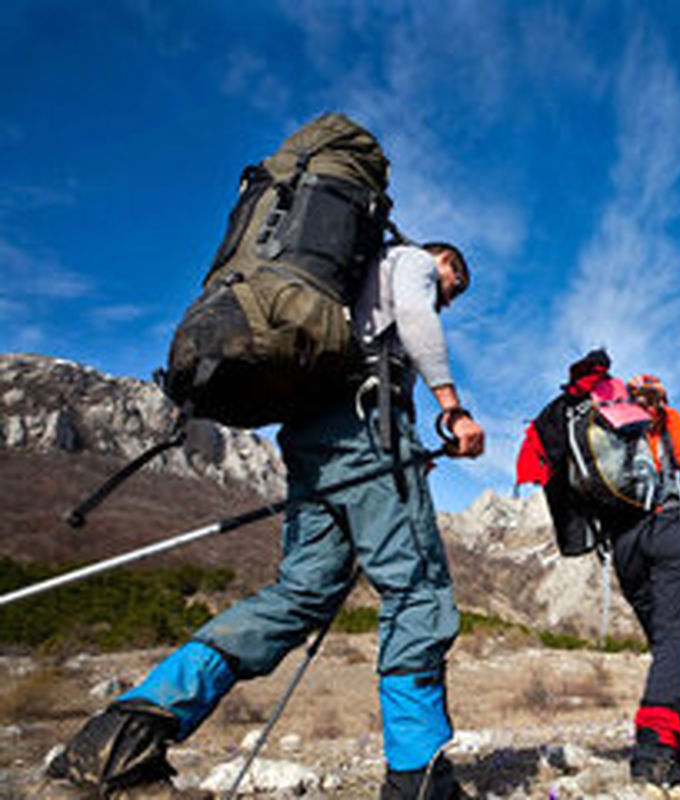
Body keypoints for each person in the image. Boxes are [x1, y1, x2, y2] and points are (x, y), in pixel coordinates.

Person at [49, 240, 485, 799]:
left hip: (310, 438)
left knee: (299, 592)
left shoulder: (347, 281)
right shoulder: (412, 262)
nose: (452, 295)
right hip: (366, 430)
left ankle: (121, 736)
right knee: (417, 593)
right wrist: (453, 407)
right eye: (456, 283)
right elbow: (420, 320)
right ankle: (418, 781)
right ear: (442, 260)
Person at [615, 372, 680, 789]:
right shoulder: (666, 417)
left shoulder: (610, 423)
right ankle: (654, 752)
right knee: (672, 642)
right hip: (668, 529)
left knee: (664, 647)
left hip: (623, 543)